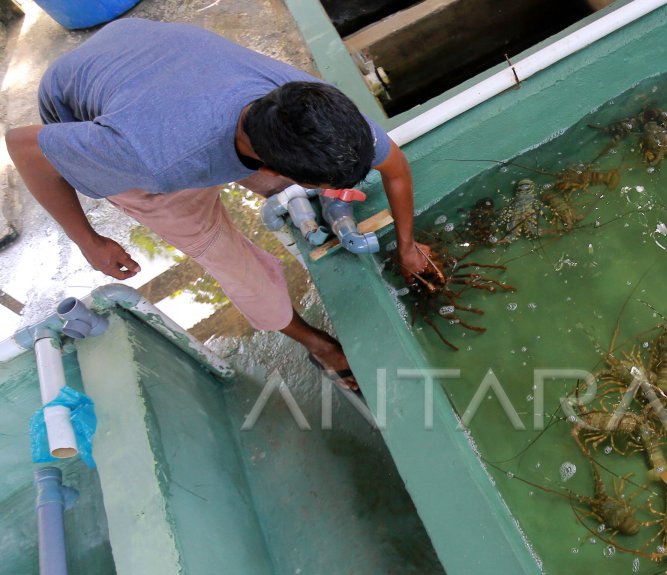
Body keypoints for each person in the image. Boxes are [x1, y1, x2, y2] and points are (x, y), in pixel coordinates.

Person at [4, 18, 441, 392]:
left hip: (137, 51)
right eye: (313, 183)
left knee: (263, 173)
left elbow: (394, 164)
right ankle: (319, 345)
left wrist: (408, 244)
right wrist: (88, 241)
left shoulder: (308, 105)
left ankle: (293, 197)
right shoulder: (151, 158)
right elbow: (23, 147)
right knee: (230, 261)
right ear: (273, 166)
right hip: (80, 104)